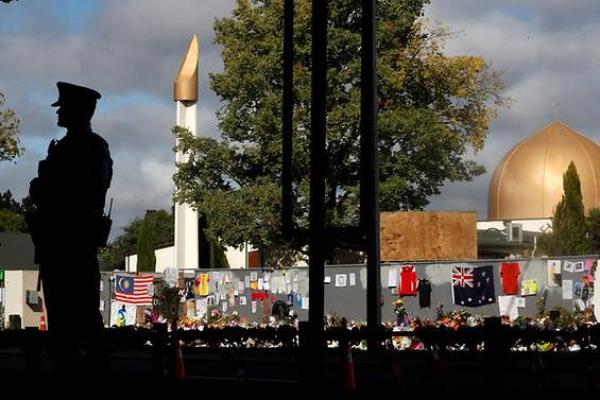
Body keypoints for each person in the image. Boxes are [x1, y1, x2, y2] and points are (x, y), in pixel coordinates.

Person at [27, 81, 113, 377]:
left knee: (78, 316)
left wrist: (43, 186)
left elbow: (78, 193)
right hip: (59, 243)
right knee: (64, 319)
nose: (59, 113)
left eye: (64, 107)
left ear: (80, 111)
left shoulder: (88, 148)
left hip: (72, 243)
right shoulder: (72, 147)